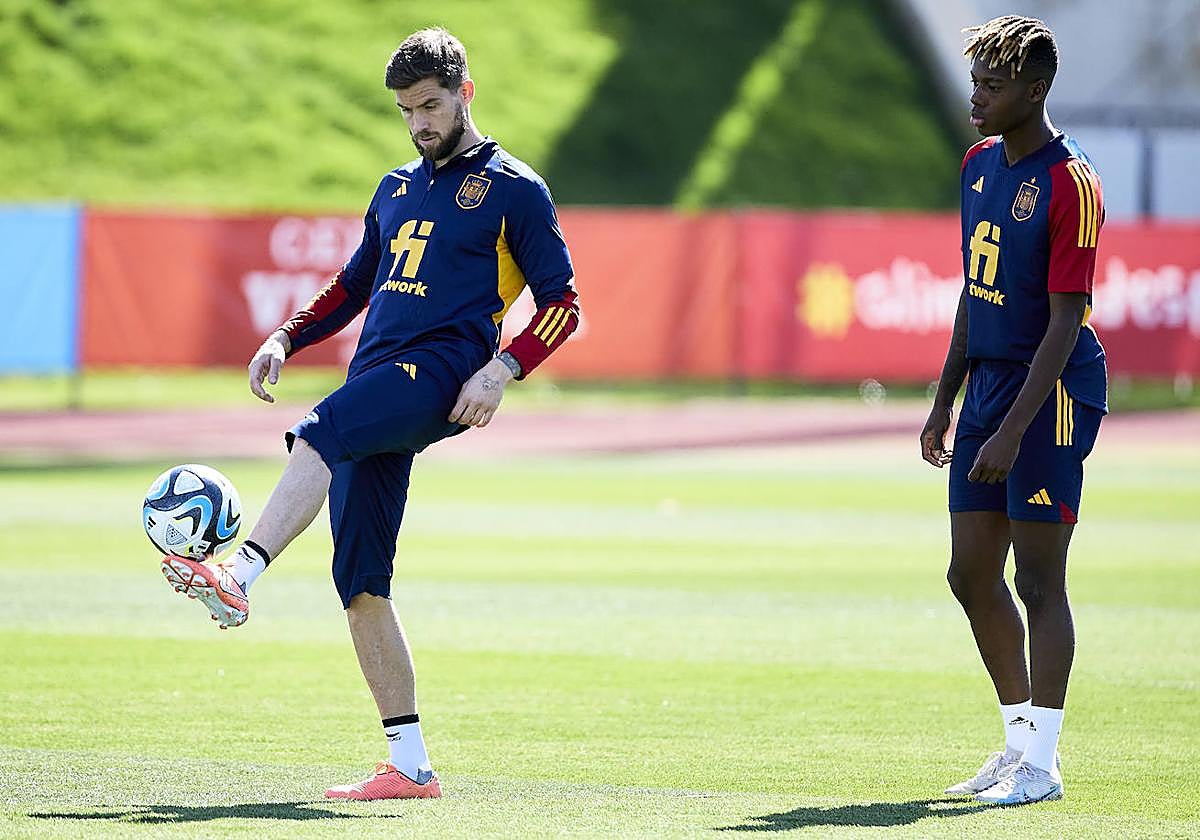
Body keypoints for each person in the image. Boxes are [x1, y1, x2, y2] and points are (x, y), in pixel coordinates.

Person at [160, 27, 581, 801]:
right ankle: (411, 766)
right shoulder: (394, 188)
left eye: (431, 106)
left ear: (465, 94)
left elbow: (563, 305)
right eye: (406, 111)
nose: (419, 123)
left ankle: (238, 572)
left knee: (320, 430)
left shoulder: (515, 189)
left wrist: (502, 369)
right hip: (379, 377)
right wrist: (287, 336)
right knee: (360, 584)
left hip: (443, 373)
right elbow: (354, 284)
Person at [919, 15, 1106, 806]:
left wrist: (1012, 429)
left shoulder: (1072, 183)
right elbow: (975, 290)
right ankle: (1017, 743)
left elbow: (1067, 319)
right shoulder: (977, 165)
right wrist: (945, 401)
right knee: (969, 573)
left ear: (1036, 90)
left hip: (1050, 392)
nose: (976, 99)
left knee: (1038, 580)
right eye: (975, 83)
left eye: (993, 87)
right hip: (990, 386)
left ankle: (1044, 766)